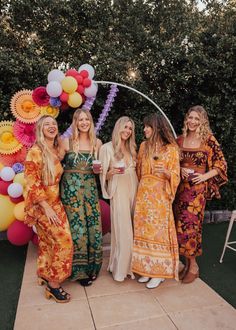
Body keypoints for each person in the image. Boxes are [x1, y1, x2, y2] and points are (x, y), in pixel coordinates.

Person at [173, 105, 227, 283]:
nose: (193, 122)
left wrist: (204, 176)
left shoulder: (208, 140)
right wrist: (180, 168)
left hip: (197, 193)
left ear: (202, 122)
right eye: (191, 118)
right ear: (186, 119)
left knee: (191, 227)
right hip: (181, 190)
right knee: (180, 227)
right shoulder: (179, 140)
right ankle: (187, 264)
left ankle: (194, 265)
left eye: (197, 119)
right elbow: (170, 161)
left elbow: (221, 165)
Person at [24, 115, 73, 303]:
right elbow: (32, 182)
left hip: (56, 203)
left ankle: (44, 273)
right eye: (47, 124)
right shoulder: (35, 151)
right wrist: (46, 207)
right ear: (40, 129)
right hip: (43, 206)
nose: (51, 126)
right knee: (64, 242)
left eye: (53, 124)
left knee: (46, 242)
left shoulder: (54, 149)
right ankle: (53, 286)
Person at [132, 113, 180, 289]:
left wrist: (167, 174)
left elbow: (176, 174)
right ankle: (146, 269)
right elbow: (138, 170)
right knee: (143, 230)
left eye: (148, 126)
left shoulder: (171, 149)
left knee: (157, 232)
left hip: (160, 195)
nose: (144, 129)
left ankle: (158, 273)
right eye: (144, 126)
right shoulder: (143, 146)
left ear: (157, 127)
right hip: (144, 194)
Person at [60, 108, 103, 286]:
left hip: (90, 189)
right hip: (71, 191)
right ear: (75, 123)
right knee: (77, 230)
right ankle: (79, 271)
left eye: (87, 119)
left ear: (91, 122)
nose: (84, 122)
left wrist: (98, 170)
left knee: (93, 227)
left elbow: (99, 168)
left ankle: (92, 267)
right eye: (80, 120)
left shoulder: (97, 143)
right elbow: (55, 163)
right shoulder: (65, 142)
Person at [99, 116, 138, 281]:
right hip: (119, 189)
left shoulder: (132, 148)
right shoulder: (107, 148)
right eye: (125, 127)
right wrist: (111, 173)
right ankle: (120, 270)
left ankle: (134, 266)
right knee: (123, 231)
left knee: (135, 228)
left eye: (130, 129)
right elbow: (102, 175)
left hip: (134, 187)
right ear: (118, 127)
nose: (127, 131)